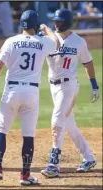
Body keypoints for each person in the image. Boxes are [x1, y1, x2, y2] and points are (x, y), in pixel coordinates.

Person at [0, 10, 59, 185]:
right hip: (31, 94)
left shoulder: (11, 41)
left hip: (11, 91)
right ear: (35, 25)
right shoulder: (43, 42)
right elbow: (57, 43)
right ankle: (25, 175)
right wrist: (46, 29)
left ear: (21, 24)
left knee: (1, 129)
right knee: (28, 135)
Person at [40, 8, 99, 178]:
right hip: (53, 87)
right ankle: (88, 157)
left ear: (67, 22)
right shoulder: (49, 39)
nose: (56, 23)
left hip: (69, 86)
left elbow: (88, 63)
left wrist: (94, 85)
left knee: (57, 121)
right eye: (55, 21)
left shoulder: (79, 42)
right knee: (69, 124)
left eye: (59, 21)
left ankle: (53, 164)